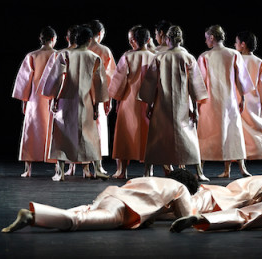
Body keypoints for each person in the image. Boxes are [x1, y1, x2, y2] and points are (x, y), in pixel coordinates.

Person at [1, 168, 199, 233]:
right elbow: (185, 216)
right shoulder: (180, 188)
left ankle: (39, 214)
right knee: (80, 221)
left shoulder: (149, 178)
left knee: (83, 212)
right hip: (123, 208)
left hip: (111, 195)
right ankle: (32, 217)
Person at [39, 25, 110, 181]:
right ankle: (97, 168)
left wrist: (53, 98)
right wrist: (98, 104)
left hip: (66, 99)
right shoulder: (94, 57)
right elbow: (99, 84)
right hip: (86, 100)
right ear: (90, 40)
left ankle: (61, 171)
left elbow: (57, 79)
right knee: (91, 134)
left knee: (61, 133)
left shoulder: (65, 54)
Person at [140, 25, 208, 181]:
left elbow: (151, 84)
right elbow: (194, 86)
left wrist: (149, 105)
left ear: (167, 39)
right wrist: (195, 108)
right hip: (183, 103)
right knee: (188, 135)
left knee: (156, 136)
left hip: (161, 103)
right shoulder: (188, 57)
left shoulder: (159, 57)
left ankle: (147, 170)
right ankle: (199, 171)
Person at [197, 25, 255, 178]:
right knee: (232, 132)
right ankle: (239, 168)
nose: (205, 41)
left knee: (206, 133)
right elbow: (241, 79)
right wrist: (241, 96)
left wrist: (196, 101)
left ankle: (200, 169)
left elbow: (199, 82)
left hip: (210, 101)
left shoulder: (205, 56)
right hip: (229, 100)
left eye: (206, 37)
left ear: (211, 37)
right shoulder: (233, 54)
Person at [107, 25, 155, 179]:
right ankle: (148, 170)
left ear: (133, 41)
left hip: (129, 100)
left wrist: (116, 98)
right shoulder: (155, 58)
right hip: (149, 100)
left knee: (124, 134)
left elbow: (119, 80)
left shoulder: (127, 57)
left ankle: (121, 170)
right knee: (148, 135)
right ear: (148, 40)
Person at [11, 26, 59, 177]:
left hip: (35, 98)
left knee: (31, 131)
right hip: (54, 98)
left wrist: (24, 100)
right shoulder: (59, 55)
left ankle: (28, 169)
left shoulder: (32, 56)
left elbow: (25, 81)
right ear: (53, 39)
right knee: (54, 131)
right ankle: (58, 167)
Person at [234, 31, 262, 170]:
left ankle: (230, 167)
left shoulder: (236, 60)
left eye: (236, 42)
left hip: (238, 100)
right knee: (257, 131)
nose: (235, 45)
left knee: (236, 132)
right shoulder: (259, 62)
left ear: (243, 44)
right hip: (254, 102)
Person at [87, 19, 116, 176]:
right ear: (100, 33)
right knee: (98, 127)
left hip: (81, 92)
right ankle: (97, 165)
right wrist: (108, 99)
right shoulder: (104, 51)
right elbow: (109, 78)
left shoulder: (78, 49)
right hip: (98, 92)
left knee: (80, 126)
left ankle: (76, 166)